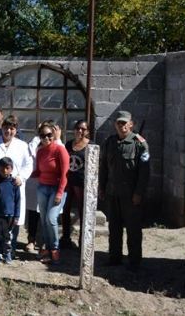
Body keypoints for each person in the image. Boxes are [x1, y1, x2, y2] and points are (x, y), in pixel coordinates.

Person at [100, 110, 150, 271]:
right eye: (119, 123)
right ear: (115, 124)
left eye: (124, 123)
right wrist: (102, 187)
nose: (121, 126)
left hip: (130, 195)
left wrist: (139, 193)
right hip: (112, 193)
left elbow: (144, 172)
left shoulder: (139, 143)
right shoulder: (109, 143)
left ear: (131, 124)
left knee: (133, 229)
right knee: (114, 228)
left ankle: (135, 261)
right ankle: (115, 257)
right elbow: (104, 168)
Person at [0, 115, 32, 254]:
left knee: (12, 218)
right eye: (6, 127)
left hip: (14, 187)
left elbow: (28, 165)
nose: (8, 131)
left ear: (16, 130)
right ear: (1, 128)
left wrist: (21, 177)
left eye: (11, 128)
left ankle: (10, 250)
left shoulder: (23, 146)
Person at [32, 121, 69, 264]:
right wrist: (22, 175)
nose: (46, 138)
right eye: (43, 136)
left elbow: (65, 174)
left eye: (49, 135)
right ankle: (47, 248)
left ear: (54, 135)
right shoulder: (40, 151)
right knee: (43, 219)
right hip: (42, 187)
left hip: (57, 188)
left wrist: (60, 193)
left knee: (51, 218)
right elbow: (38, 171)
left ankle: (55, 249)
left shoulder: (60, 150)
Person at [61, 120, 89, 248]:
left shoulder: (91, 146)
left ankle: (82, 241)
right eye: (78, 128)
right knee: (65, 209)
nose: (80, 131)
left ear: (87, 131)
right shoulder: (68, 144)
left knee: (83, 211)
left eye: (83, 129)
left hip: (82, 182)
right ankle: (66, 238)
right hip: (68, 181)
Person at [0, 157, 20, 264]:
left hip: (10, 215)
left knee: (8, 236)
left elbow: (18, 201)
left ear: (11, 169)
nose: (5, 171)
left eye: (7, 168)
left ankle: (7, 253)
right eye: (2, 168)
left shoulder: (14, 184)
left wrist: (17, 216)